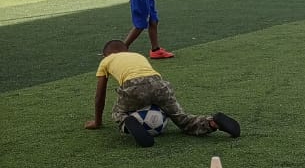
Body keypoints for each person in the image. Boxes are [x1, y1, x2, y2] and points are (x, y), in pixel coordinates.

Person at [85, 40, 240, 148]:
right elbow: (147, 82)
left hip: (133, 87)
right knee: (183, 119)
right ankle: (212, 123)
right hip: (159, 84)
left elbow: (100, 95)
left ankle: (127, 122)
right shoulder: (138, 55)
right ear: (127, 51)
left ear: (105, 55)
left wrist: (97, 122)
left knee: (118, 113)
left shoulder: (106, 61)